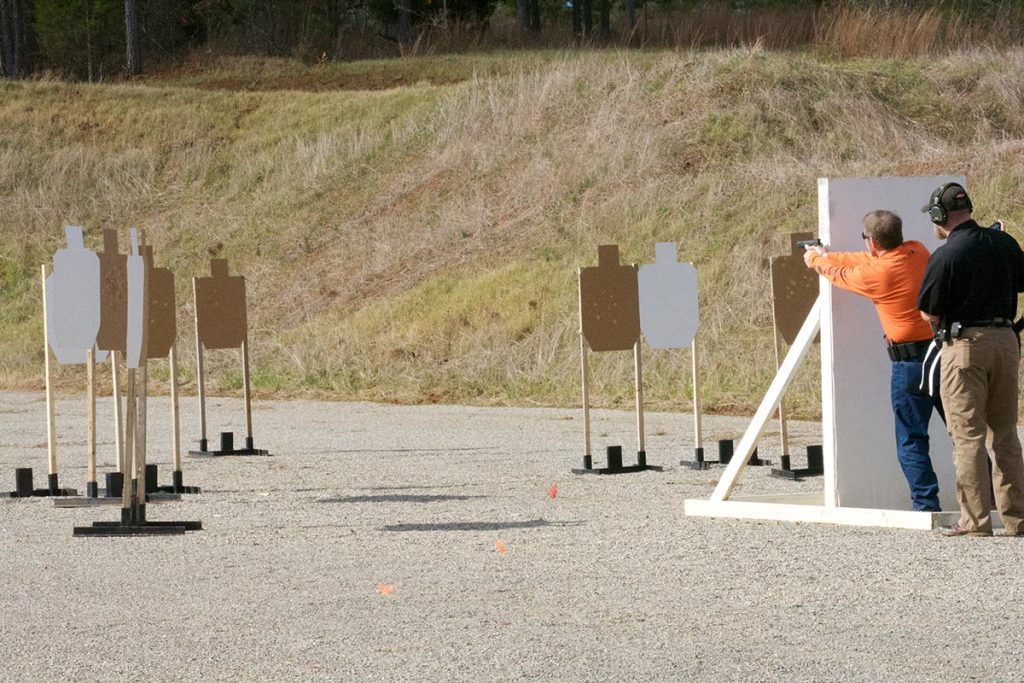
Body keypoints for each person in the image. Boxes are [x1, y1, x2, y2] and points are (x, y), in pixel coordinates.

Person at [803, 210, 942, 512]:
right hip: (941, 353)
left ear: (872, 242)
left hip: (909, 364)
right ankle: (990, 499)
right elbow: (864, 260)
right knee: (963, 432)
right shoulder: (918, 250)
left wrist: (815, 260)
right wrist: (828, 254)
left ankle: (926, 505)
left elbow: (840, 275)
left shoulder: (876, 274)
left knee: (911, 438)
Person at [917, 182, 1024, 537]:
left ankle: (975, 521)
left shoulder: (947, 255)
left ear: (939, 216)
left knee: (967, 436)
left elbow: (929, 314)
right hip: (1007, 342)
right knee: (1006, 434)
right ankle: (1017, 519)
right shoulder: (1004, 243)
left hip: (965, 346)